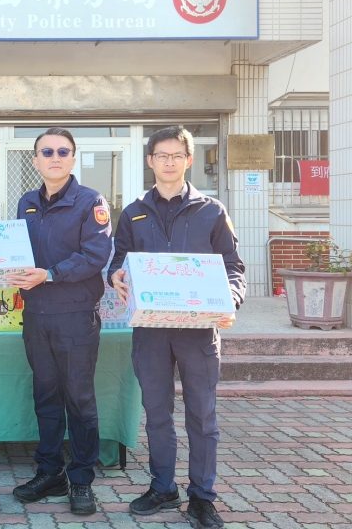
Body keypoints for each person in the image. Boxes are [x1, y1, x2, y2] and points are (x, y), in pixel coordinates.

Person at [108, 126, 245, 529]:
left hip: (199, 330)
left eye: (176, 155)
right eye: (161, 155)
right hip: (151, 330)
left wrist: (229, 300)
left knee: (202, 415)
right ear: (150, 161)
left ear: (188, 160)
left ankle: (202, 496)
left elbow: (234, 268)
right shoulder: (133, 212)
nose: (169, 162)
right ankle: (162, 486)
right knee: (156, 412)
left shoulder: (212, 211)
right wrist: (116, 276)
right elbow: (119, 260)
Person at [6, 127, 113, 515]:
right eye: (47, 151)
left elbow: (96, 255)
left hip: (75, 316)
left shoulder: (90, 202)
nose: (55, 157)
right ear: (35, 159)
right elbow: (15, 250)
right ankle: (50, 471)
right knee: (46, 396)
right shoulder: (27, 203)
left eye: (62, 151)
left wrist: (49, 274)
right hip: (36, 316)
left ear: (73, 157)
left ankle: (81, 478)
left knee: (79, 399)